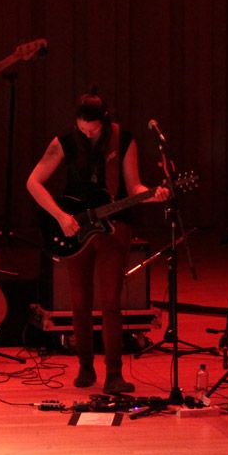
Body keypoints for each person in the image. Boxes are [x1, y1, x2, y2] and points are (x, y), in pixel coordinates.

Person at [26, 90, 170, 394]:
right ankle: (86, 367)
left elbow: (133, 186)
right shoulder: (63, 141)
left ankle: (114, 373)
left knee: (110, 302)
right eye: (82, 128)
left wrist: (152, 195)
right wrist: (61, 216)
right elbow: (33, 182)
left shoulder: (124, 139)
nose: (87, 134)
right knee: (79, 302)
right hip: (74, 226)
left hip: (113, 225)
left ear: (104, 121)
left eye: (92, 129)